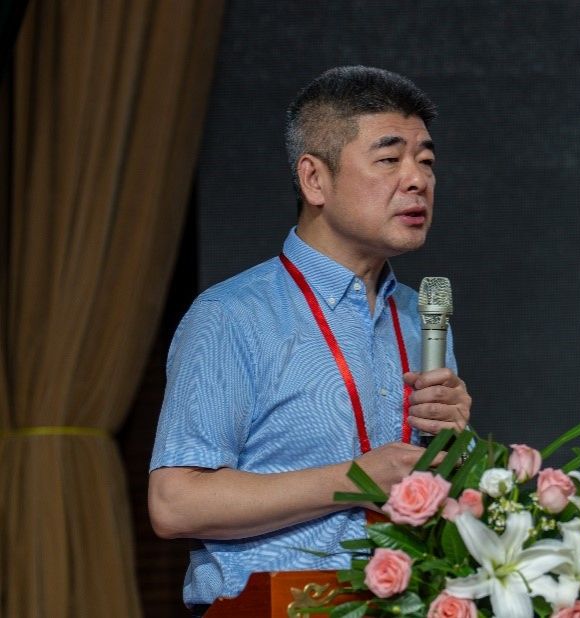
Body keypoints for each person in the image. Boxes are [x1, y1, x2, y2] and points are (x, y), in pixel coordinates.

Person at [147, 66, 471, 611]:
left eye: (426, 161)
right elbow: (175, 503)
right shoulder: (232, 316)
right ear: (314, 179)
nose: (417, 180)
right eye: (389, 159)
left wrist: (458, 450)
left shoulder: (422, 317)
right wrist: (357, 479)